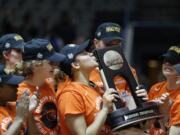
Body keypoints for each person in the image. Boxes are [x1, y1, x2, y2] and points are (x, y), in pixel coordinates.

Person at [57, 42, 148, 135]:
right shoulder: (70, 94)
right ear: (76, 65)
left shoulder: (95, 88)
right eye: (84, 53)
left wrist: (139, 99)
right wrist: (104, 109)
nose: (91, 53)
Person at [89, 22, 147, 110]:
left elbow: (132, 105)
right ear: (96, 43)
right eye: (108, 44)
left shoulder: (129, 70)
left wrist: (140, 99)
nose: (112, 49)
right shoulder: (85, 69)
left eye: (117, 45)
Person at [17, 39, 66, 135]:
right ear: (35, 65)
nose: (55, 65)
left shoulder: (49, 82)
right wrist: (29, 113)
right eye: (50, 62)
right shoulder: (20, 92)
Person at [148, 45, 180, 135]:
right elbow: (147, 126)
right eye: (165, 60)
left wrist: (164, 113)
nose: (167, 63)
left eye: (173, 61)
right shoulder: (155, 88)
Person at [0, 64, 39, 135]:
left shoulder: (15, 106)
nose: (17, 86)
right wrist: (19, 119)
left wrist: (29, 113)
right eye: (12, 85)